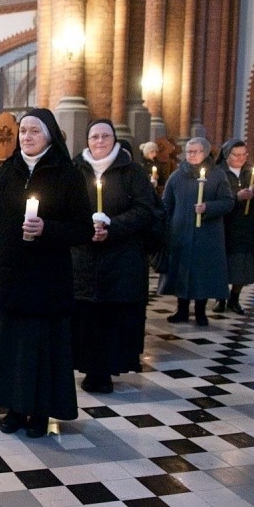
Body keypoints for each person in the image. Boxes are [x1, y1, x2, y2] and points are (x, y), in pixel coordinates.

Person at [0, 108, 92, 438]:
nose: (26, 137)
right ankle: (13, 408)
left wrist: (47, 228)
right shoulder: (7, 172)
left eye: (34, 131)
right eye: (23, 131)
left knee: (40, 348)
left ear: (49, 135)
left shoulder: (68, 175)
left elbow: (82, 229)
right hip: (8, 275)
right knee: (10, 346)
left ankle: (39, 413)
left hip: (46, 279)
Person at [71, 120, 156, 394]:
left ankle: (105, 370)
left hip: (121, 258)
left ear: (114, 139)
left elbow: (145, 209)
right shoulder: (76, 169)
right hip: (84, 257)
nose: (99, 141)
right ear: (87, 140)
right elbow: (64, 205)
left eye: (105, 136)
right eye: (94, 136)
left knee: (112, 316)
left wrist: (112, 226)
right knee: (87, 315)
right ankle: (87, 367)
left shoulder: (132, 171)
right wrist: (87, 227)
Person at [160, 137, 233, 326]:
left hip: (207, 234)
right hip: (180, 232)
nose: (191, 155)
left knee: (203, 273)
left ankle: (201, 312)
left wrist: (208, 207)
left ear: (206, 153)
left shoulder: (217, 175)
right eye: (188, 151)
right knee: (181, 271)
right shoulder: (177, 176)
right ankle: (181, 310)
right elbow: (166, 204)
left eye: (195, 151)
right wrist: (165, 227)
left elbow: (228, 202)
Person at [213, 138, 254, 314]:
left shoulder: (252, 171)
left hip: (248, 227)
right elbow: (214, 197)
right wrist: (236, 196)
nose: (241, 158)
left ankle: (234, 298)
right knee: (224, 265)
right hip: (226, 226)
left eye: (244, 154)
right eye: (237, 155)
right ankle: (220, 298)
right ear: (226, 155)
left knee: (242, 267)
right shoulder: (218, 173)